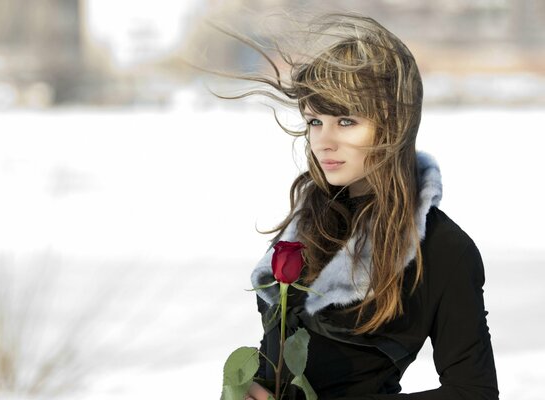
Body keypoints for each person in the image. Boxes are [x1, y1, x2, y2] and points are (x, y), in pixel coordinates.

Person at [210, 11, 498, 400]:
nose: (323, 141)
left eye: (346, 121)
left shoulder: (443, 250)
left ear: (394, 123)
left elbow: (473, 392)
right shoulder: (310, 221)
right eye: (314, 121)